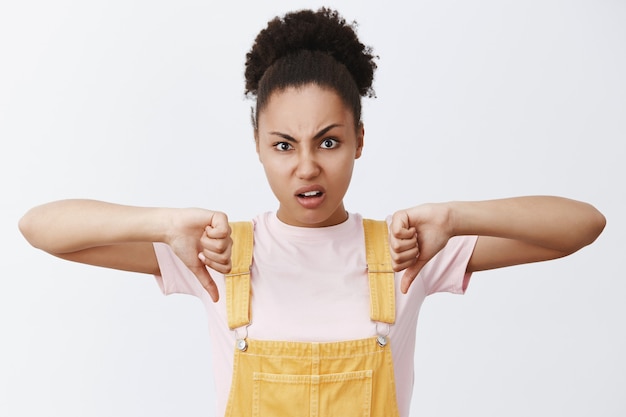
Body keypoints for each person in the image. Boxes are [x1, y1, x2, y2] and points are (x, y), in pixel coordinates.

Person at [18, 7, 605, 417]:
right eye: (283, 145)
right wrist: (163, 225)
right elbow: (41, 229)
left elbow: (581, 226)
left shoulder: (409, 251)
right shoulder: (213, 256)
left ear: (359, 140)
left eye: (328, 141)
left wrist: (455, 216)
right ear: (257, 146)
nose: (306, 168)